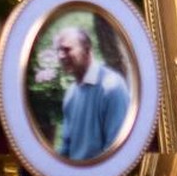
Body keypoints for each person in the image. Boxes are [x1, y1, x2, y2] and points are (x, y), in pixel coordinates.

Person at [55, 25, 131, 160]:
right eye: (59, 50)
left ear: (87, 50)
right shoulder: (71, 94)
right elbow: (66, 147)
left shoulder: (111, 87)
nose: (61, 56)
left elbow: (117, 152)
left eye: (67, 49)